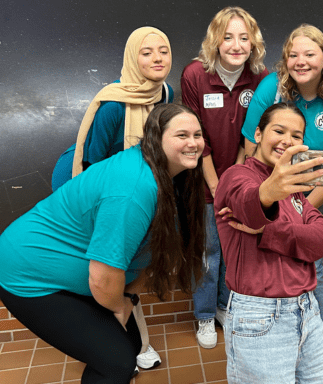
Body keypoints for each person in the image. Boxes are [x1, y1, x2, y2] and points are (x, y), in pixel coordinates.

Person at [0, 103, 206, 384]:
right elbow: (102, 278)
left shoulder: (171, 176)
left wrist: (129, 298)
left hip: (82, 278)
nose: (193, 143)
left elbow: (146, 253)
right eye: (182, 135)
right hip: (29, 274)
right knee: (116, 363)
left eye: (198, 134)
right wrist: (119, 307)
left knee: (131, 346)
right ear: (156, 139)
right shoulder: (134, 188)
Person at [50, 26, 173, 371]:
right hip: (89, 186)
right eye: (146, 52)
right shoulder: (112, 105)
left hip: (131, 184)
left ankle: (132, 342)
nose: (157, 58)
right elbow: (90, 165)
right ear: (132, 58)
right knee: (103, 270)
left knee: (128, 268)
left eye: (162, 50)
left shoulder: (165, 92)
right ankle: (116, 348)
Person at [215, 102, 323, 383]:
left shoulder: (295, 190)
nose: (288, 140)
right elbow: (248, 206)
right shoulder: (237, 176)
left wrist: (266, 232)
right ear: (258, 134)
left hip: (308, 313)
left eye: (296, 136)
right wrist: (268, 192)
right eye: (279, 131)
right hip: (259, 317)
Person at [241, 24, 323, 322]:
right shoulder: (272, 88)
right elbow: (250, 144)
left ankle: (312, 331)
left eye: (309, 54)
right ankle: (267, 326)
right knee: (264, 260)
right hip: (269, 194)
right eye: (293, 55)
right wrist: (270, 199)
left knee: (309, 262)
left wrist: (300, 209)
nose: (300, 61)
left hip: (315, 198)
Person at [181, 6, 268, 350]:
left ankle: (223, 307)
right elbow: (192, 132)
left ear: (253, 42)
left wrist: (234, 178)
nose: (236, 45)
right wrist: (216, 184)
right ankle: (203, 315)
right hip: (202, 179)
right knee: (208, 250)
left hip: (241, 178)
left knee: (234, 246)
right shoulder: (195, 75)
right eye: (228, 37)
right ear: (215, 41)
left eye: (243, 38)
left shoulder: (260, 78)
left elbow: (255, 133)